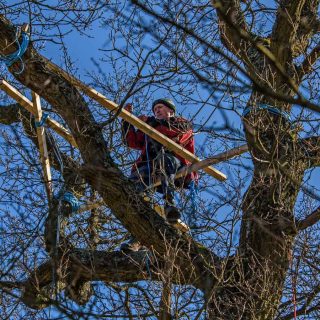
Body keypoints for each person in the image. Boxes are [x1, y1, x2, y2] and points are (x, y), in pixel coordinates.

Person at [121, 98, 197, 251]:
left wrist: (150, 121)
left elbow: (174, 135)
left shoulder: (182, 123)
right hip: (151, 168)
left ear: (171, 111)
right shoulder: (151, 126)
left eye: (160, 107)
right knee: (131, 185)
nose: (157, 111)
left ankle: (169, 204)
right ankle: (138, 234)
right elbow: (132, 141)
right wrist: (127, 120)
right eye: (155, 109)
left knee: (165, 159)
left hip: (177, 166)